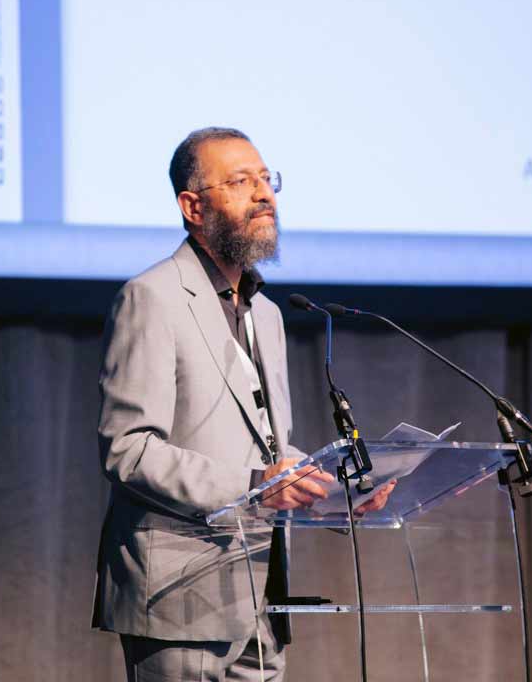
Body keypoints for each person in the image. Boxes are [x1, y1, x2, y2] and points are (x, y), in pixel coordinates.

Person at [91, 127, 394, 681]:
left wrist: (337, 494)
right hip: (179, 596)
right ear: (193, 207)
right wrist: (253, 484)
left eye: (266, 179)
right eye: (239, 182)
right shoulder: (151, 297)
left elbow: (269, 449)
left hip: (260, 593)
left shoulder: (268, 314)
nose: (263, 194)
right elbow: (128, 450)